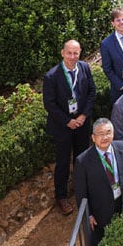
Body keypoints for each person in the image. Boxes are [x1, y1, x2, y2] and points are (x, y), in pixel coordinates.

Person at [43, 40, 95, 214]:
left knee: (82, 157)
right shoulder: (51, 76)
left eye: (76, 53)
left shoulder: (85, 68)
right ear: (62, 53)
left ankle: (83, 190)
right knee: (63, 162)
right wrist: (68, 121)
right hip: (62, 126)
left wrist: (83, 116)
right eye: (69, 53)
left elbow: (91, 93)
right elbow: (49, 104)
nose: (73, 57)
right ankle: (62, 197)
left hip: (82, 123)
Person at [73, 118, 123, 246]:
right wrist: (89, 215)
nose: (105, 137)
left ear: (113, 134)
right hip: (100, 212)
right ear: (93, 137)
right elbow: (81, 192)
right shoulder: (83, 161)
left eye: (108, 132)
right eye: (100, 134)